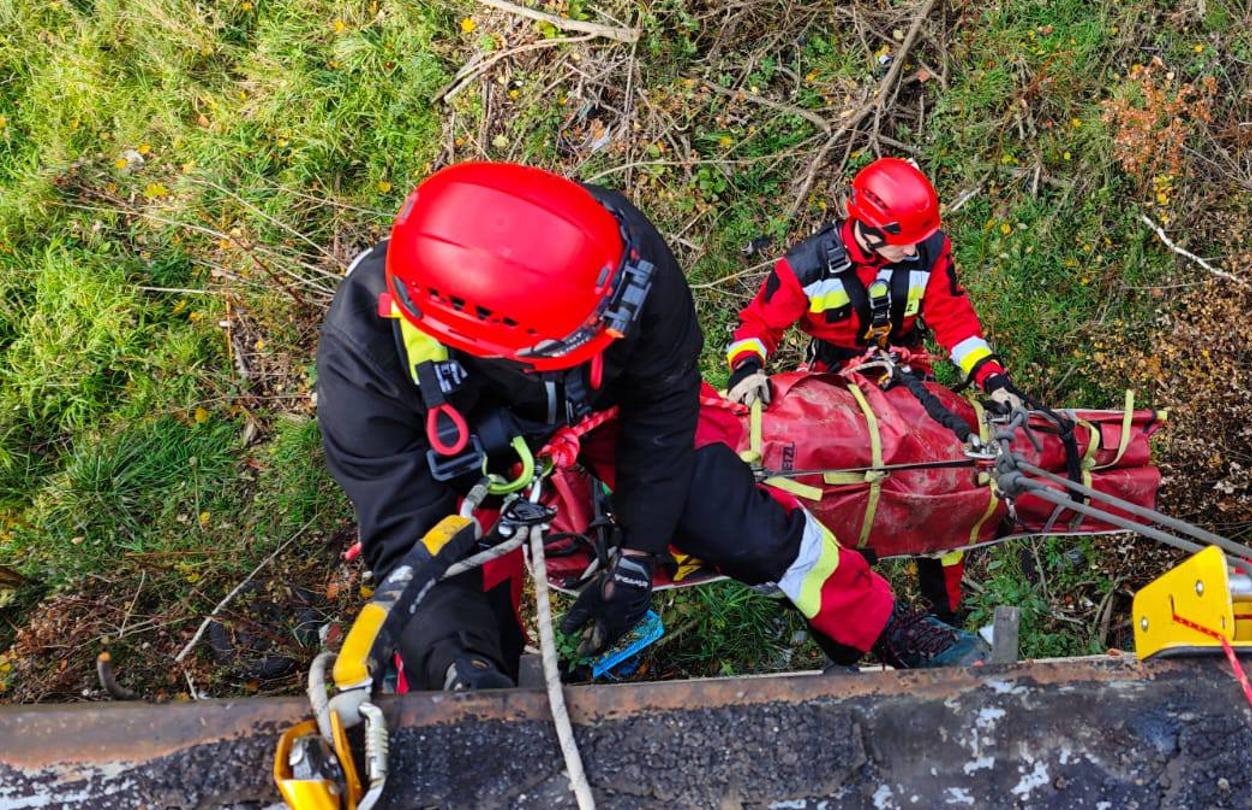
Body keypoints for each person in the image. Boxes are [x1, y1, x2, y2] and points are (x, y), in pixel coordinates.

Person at [317, 162, 987, 690]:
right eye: (593, 334)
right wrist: (459, 666)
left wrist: (637, 558)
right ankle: (481, 680)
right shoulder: (368, 373)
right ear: (505, 351)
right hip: (476, 455)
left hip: (609, 406)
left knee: (737, 516)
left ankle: (887, 626)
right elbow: (413, 539)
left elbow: (663, 413)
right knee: (460, 608)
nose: (622, 327)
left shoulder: (619, 258)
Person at [722, 157, 1022, 623]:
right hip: (834, 387)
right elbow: (758, 324)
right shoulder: (808, 266)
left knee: (945, 477)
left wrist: (992, 378)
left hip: (904, 379)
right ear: (871, 229)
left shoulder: (927, 251)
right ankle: (857, 604)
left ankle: (945, 610)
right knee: (844, 488)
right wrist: (747, 370)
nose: (915, 249)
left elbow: (954, 320)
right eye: (906, 242)